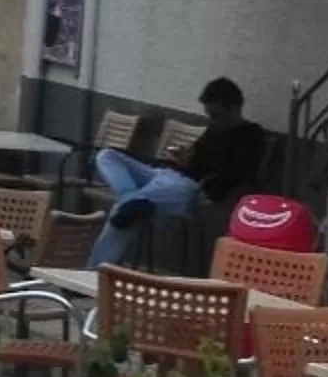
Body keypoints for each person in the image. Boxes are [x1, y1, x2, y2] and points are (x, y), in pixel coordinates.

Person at [91, 77, 268, 269]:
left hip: (190, 186)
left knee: (122, 212)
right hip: (166, 174)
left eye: (216, 115)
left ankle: (93, 272)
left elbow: (237, 173)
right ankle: (129, 197)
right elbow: (198, 153)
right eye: (210, 115)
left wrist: (202, 174)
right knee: (107, 156)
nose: (212, 120)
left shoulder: (251, 135)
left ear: (234, 108)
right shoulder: (214, 128)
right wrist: (185, 156)